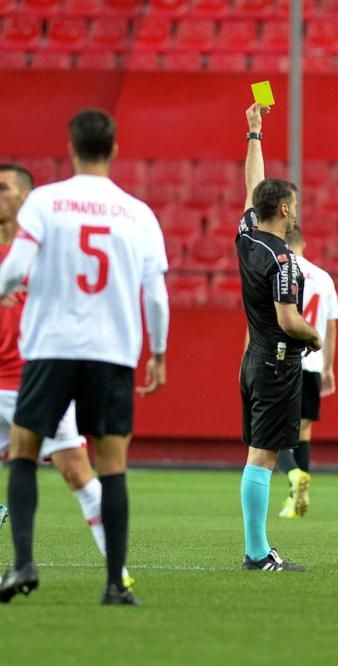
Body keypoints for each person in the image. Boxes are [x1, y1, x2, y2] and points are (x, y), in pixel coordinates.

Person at [0, 109, 169, 605]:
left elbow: (14, 272)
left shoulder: (45, 203)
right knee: (111, 465)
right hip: (111, 353)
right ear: (114, 149)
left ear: (71, 148)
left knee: (25, 454)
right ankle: (116, 583)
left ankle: (23, 563)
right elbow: (155, 295)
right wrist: (157, 351)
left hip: (50, 350)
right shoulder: (137, 213)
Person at [0, 163, 133, 589]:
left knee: (76, 470)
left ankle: (119, 575)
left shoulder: (49, 246)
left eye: (3, 189)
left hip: (35, 378)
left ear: (25, 196)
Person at [237, 102, 321, 571]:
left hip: (254, 356)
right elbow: (290, 320)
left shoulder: (247, 236)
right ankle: (256, 552)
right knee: (265, 457)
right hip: (278, 360)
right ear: (285, 209)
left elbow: (253, 188)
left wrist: (255, 134)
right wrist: (316, 337)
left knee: (258, 453)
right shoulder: (283, 259)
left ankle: (257, 548)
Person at [276, 225, 338, 519]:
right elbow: (331, 325)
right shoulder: (323, 277)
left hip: (283, 360)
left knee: (273, 434)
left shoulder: (281, 271)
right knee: (304, 431)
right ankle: (299, 500)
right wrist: (328, 367)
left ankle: (293, 477)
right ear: (304, 242)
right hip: (313, 364)